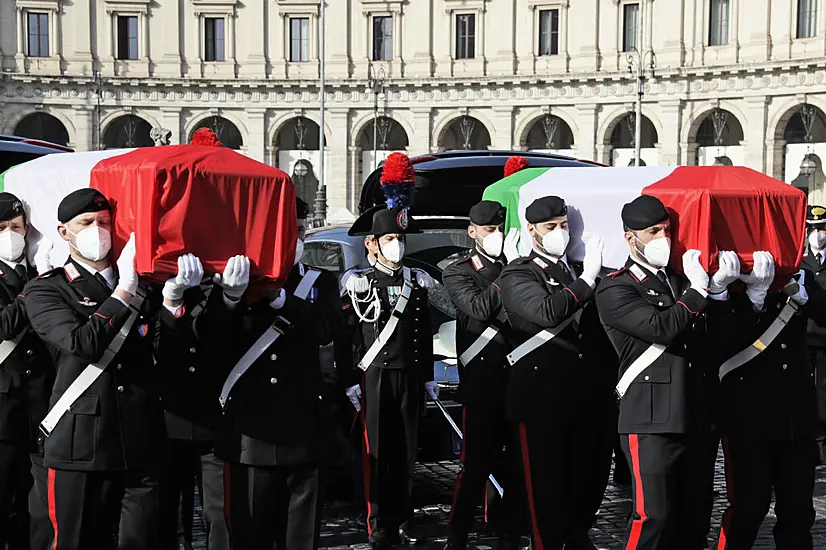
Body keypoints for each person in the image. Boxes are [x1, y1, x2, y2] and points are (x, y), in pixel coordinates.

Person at [24, 189, 202, 549]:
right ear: (64, 232)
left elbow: (169, 355)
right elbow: (81, 344)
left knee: (143, 540)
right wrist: (122, 292)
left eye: (105, 222)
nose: (98, 230)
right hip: (79, 442)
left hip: (140, 440)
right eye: (87, 223)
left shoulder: (143, 287)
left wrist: (171, 302)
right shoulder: (47, 290)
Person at [595, 195, 740, 550]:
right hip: (650, 417)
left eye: (666, 230)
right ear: (631, 239)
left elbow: (714, 342)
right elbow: (660, 327)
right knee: (654, 518)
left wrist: (718, 295)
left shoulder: (680, 280)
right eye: (653, 231)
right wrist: (698, 291)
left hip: (695, 411)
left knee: (694, 517)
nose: (663, 237)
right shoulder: (616, 286)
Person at [216, 197, 341, 549]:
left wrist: (283, 300)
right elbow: (214, 341)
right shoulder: (238, 282)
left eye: (301, 231)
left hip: (305, 427)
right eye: (288, 231)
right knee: (250, 533)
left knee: (302, 536)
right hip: (252, 435)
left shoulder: (320, 281)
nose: (296, 239)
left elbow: (327, 328)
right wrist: (229, 298)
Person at [496, 196, 611, 550]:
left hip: (585, 397)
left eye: (564, 225)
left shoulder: (576, 269)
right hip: (540, 399)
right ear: (532, 231)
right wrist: (588, 280)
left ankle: (577, 534)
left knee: (588, 479)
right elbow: (547, 311)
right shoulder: (518, 273)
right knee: (544, 488)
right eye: (551, 227)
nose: (560, 233)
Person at [714, 250, 826, 550]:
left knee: (798, 511)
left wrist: (801, 293)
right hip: (749, 417)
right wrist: (755, 301)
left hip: (796, 416)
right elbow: (721, 339)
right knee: (749, 508)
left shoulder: (800, 273)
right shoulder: (732, 276)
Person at [338, 206, 435, 549]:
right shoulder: (361, 282)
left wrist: (427, 375)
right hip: (375, 375)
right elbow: (346, 337)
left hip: (408, 375)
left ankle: (403, 516)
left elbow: (422, 334)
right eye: (390, 239)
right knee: (376, 450)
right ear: (372, 244)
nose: (398, 245)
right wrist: (348, 380)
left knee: (407, 450)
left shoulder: (416, 281)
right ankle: (377, 520)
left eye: (400, 238)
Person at [441, 200, 524, 550]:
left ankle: (507, 529)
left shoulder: (521, 266)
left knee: (516, 464)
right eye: (490, 231)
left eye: (500, 230)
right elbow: (479, 307)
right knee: (475, 466)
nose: (497, 236)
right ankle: (457, 532)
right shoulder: (458, 270)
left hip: (518, 379)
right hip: (482, 382)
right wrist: (509, 268)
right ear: (472, 232)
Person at [155, 251, 232, 550]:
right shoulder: (158, 284)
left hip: (215, 413)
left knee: (219, 510)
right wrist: (171, 300)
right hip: (170, 414)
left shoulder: (226, 286)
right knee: (172, 510)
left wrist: (231, 300)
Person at [0, 193, 54, 550]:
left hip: (41, 408)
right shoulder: (38, 280)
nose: (10, 235)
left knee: (36, 510)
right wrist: (37, 286)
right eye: (2, 228)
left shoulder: (41, 271)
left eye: (16, 228)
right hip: (2, 413)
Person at [803, 204, 826, 463]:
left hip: (824, 334)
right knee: (805, 388)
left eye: (821, 228)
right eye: (812, 228)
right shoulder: (800, 258)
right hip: (803, 334)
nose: (817, 233)